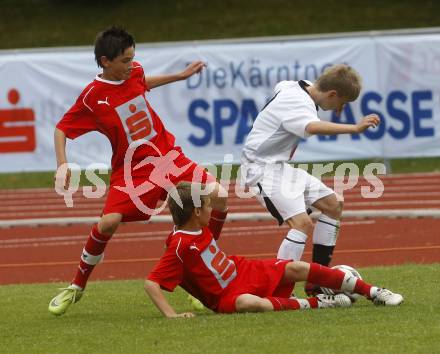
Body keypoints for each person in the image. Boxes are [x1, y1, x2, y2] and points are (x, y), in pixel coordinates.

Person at [48, 26, 228, 316]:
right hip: (132, 172)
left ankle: (204, 269)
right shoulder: (92, 97)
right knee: (108, 224)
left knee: (219, 195)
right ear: (106, 61)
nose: (131, 65)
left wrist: (180, 76)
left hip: (167, 157)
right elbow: (61, 129)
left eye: (133, 58)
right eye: (125, 60)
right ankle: (77, 286)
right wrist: (62, 164)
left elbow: (144, 81)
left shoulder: (133, 72)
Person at [145, 182, 403, 318]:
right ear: (197, 212)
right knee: (249, 303)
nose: (212, 209)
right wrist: (172, 316)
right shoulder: (179, 245)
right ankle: (319, 303)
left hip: (243, 270)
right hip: (226, 297)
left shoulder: (198, 226)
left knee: (296, 268)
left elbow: (210, 203)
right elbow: (151, 283)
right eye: (208, 206)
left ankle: (374, 292)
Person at [239, 64, 380, 295]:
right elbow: (312, 126)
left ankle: (318, 280)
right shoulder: (299, 103)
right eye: (342, 102)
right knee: (302, 224)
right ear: (332, 94)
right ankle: (279, 290)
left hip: (279, 166)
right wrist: (354, 128)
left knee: (333, 204)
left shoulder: (298, 85)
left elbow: (286, 94)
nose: (340, 108)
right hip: (261, 169)